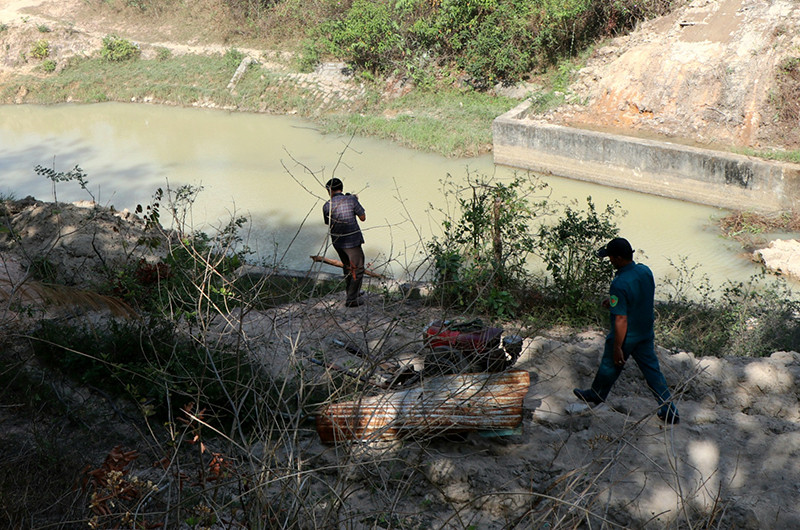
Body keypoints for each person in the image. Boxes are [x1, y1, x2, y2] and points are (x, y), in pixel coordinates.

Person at [573, 237, 680, 424]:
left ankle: (596, 395)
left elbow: (621, 319)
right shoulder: (645, 271)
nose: (610, 260)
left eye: (611, 257)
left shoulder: (619, 283)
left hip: (627, 334)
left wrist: (618, 346)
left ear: (619, 258)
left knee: (610, 364)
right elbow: (640, 297)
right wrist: (613, 303)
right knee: (653, 371)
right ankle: (670, 410)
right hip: (645, 332)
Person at [323, 178, 366, 307]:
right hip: (352, 241)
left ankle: (352, 293)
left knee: (348, 268)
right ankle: (352, 299)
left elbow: (328, 223)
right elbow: (363, 218)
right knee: (357, 269)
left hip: (337, 242)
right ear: (342, 187)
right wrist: (355, 201)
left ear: (329, 190)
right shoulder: (351, 200)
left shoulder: (326, 205)